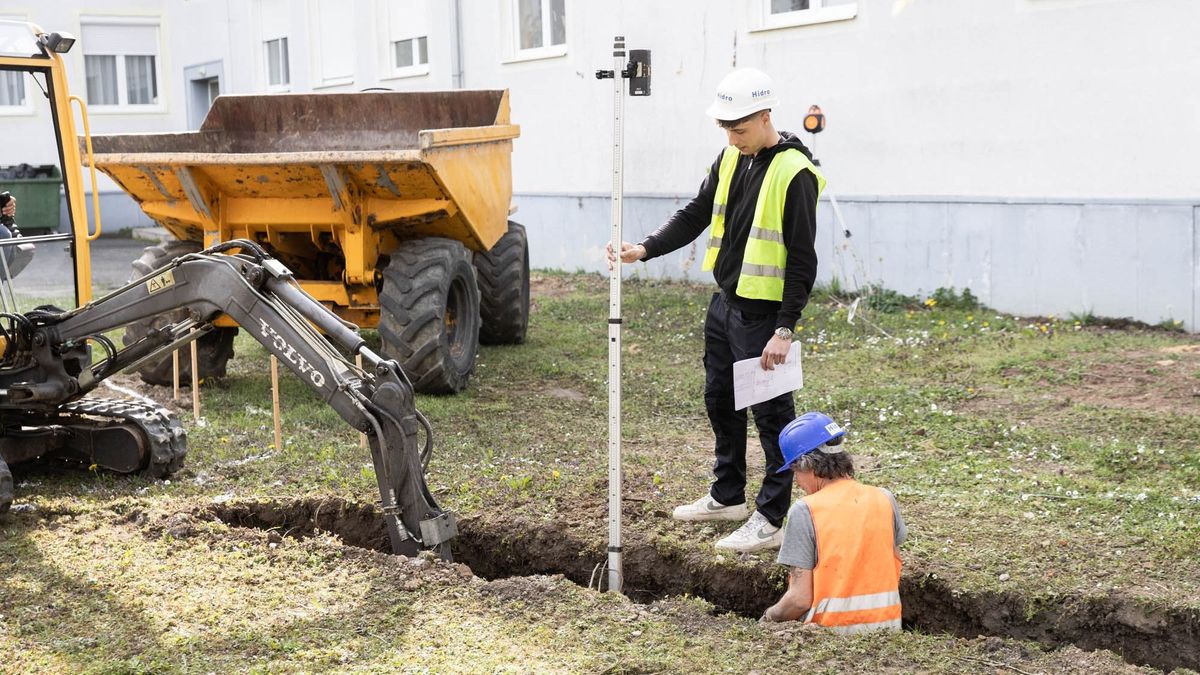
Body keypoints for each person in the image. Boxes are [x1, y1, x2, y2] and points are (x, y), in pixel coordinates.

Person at [608, 68, 825, 552]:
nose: (732, 137)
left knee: (772, 416)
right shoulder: (731, 157)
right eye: (725, 128)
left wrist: (785, 329)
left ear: (766, 116)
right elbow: (696, 211)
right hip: (725, 305)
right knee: (719, 400)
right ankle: (728, 496)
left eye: (740, 128)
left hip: (765, 318)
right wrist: (644, 249)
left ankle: (771, 517)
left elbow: (802, 261)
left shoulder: (796, 174)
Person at [761, 412, 907, 632]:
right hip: (888, 628)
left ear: (807, 466)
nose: (797, 482)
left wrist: (769, 617)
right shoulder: (884, 498)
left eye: (794, 472)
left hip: (831, 632)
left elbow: (799, 600)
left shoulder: (806, 510)